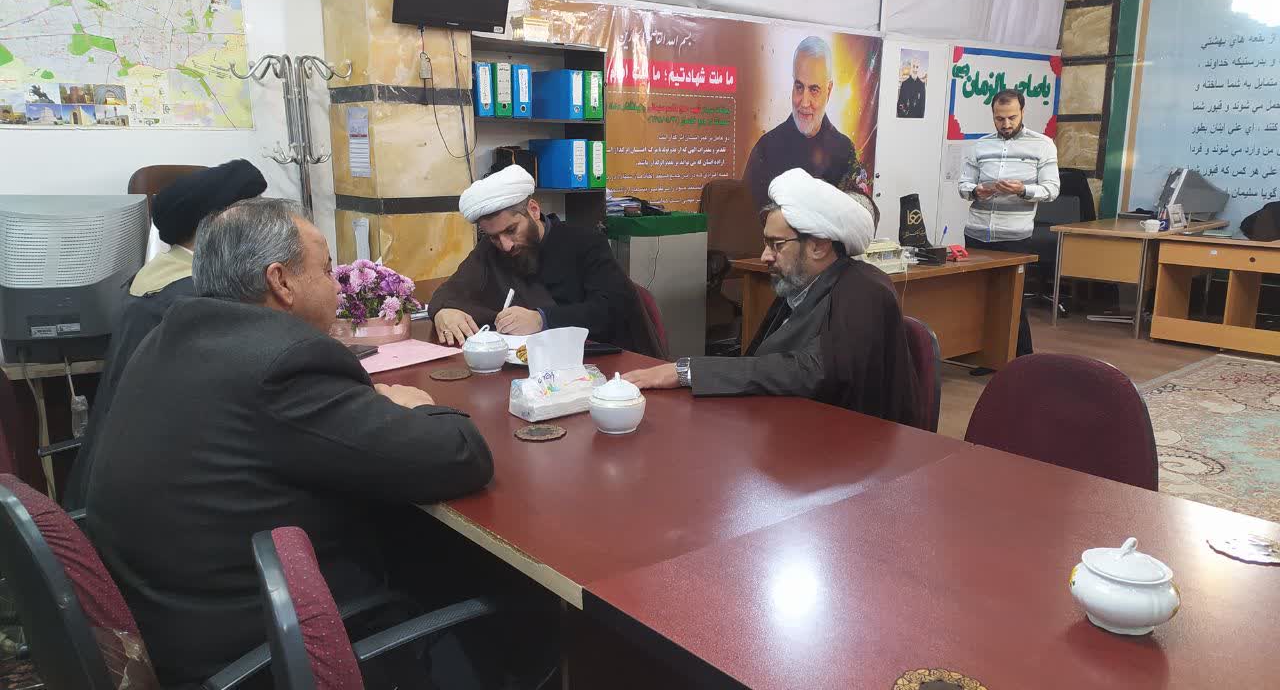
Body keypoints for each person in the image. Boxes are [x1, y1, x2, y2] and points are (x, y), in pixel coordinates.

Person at [84, 198, 495, 686]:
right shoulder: (281, 363)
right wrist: (415, 406)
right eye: (325, 269)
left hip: (170, 618)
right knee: (492, 592)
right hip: (258, 652)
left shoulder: (166, 336)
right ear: (280, 282)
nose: (337, 286)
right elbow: (459, 455)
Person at [624, 169, 920, 427]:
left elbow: (812, 371)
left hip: (853, 452)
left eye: (776, 245)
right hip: (790, 431)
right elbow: (758, 362)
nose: (765, 256)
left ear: (819, 246)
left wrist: (686, 371)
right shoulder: (797, 285)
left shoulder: (865, 291)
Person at [61, 159, 267, 509]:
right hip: (151, 496)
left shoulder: (159, 275)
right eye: (256, 218)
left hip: (116, 478)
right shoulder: (194, 298)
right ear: (220, 226)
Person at [429, 164, 663, 356]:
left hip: (598, 363)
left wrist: (542, 319)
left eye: (511, 230)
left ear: (533, 210)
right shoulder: (492, 248)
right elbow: (450, 290)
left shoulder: (586, 242)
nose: (505, 245)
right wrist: (444, 311)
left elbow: (611, 309)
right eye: (494, 237)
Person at [957, 88, 1060, 359]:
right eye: (999, 118)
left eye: (1012, 118)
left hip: (1014, 236)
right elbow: (963, 186)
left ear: (1022, 112)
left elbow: (1052, 189)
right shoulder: (980, 146)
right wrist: (976, 191)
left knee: (1012, 301)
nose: (1005, 124)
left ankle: (1022, 359)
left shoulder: (1042, 145)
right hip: (977, 232)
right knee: (978, 300)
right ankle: (983, 356)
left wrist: (1022, 190)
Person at [742, 36, 863, 210]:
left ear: (829, 91)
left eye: (814, 90)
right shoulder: (766, 149)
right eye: (799, 87)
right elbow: (744, 215)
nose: (804, 102)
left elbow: (860, 215)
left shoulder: (845, 151)